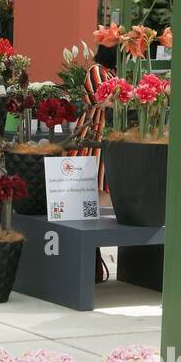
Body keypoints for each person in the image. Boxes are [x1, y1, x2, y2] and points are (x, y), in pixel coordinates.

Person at [67, 42, 118, 282]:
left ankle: (95, 260)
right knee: (91, 193)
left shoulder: (111, 72)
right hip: (93, 134)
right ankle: (91, 260)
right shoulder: (96, 70)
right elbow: (104, 101)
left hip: (104, 136)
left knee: (99, 194)